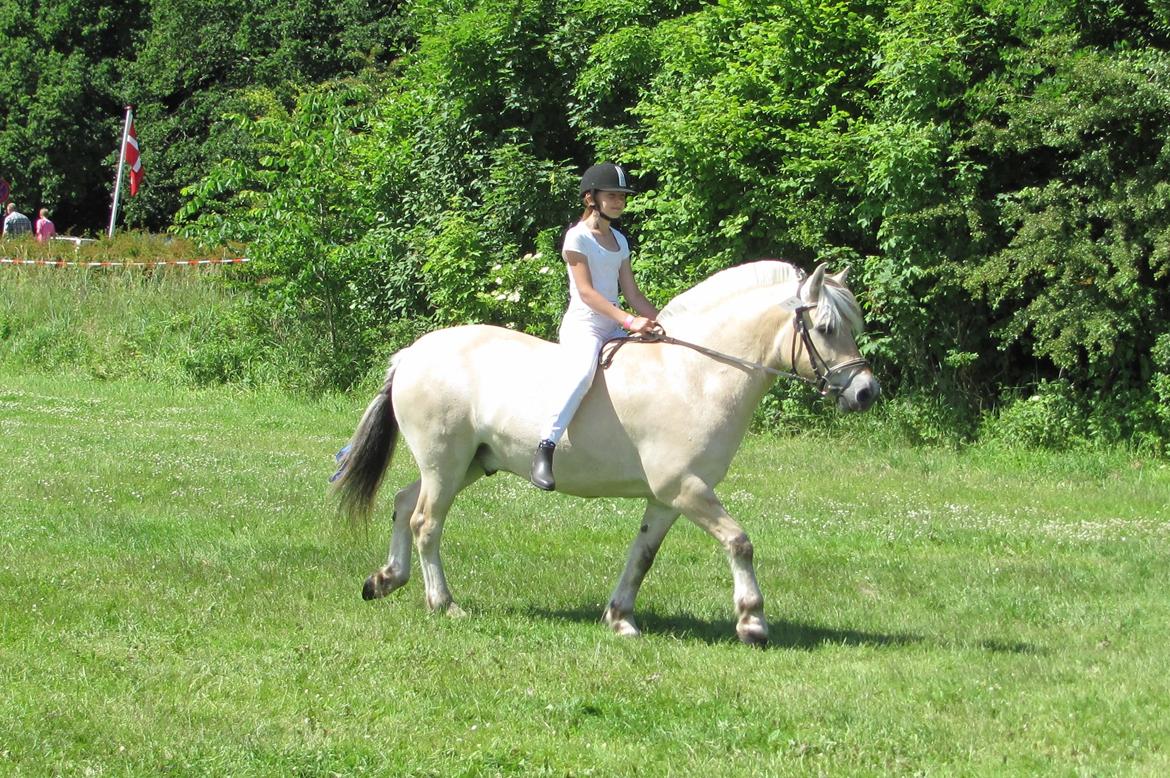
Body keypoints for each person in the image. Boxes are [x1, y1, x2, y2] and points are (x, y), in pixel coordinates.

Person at [530, 162, 659, 491]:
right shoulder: (577, 238)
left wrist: (661, 323)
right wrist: (630, 321)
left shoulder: (619, 239)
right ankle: (546, 447)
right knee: (582, 373)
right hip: (585, 324)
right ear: (591, 197)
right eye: (612, 195)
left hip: (614, 323)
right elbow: (587, 293)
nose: (619, 201)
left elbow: (631, 292)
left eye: (622, 196)